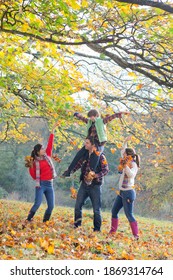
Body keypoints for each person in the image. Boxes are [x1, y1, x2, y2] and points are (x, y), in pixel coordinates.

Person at [62, 109, 128, 177]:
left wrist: (119, 114)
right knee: (79, 154)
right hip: (91, 142)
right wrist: (76, 114)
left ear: (96, 115)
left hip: (98, 143)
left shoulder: (101, 121)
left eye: (92, 117)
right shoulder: (90, 122)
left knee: (95, 157)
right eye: (90, 117)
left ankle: (90, 175)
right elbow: (83, 118)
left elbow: (110, 117)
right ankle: (69, 171)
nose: (91, 118)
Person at [72, 136, 109, 232]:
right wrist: (69, 171)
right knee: (77, 206)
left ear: (93, 145)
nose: (85, 144)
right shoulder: (85, 155)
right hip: (84, 185)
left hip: (95, 186)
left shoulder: (100, 156)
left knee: (96, 209)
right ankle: (77, 225)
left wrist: (96, 175)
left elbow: (106, 170)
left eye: (87, 143)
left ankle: (97, 229)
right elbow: (78, 164)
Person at [24, 122, 58, 223]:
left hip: (50, 184)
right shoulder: (34, 162)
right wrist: (30, 167)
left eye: (44, 148)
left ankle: (45, 222)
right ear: (38, 151)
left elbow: (50, 143)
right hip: (41, 184)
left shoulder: (47, 155)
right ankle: (28, 219)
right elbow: (34, 176)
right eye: (42, 148)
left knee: (51, 206)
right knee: (37, 203)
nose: (44, 149)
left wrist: (53, 130)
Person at [109, 136, 140, 239]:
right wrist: (125, 141)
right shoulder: (124, 160)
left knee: (129, 215)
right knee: (114, 211)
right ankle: (112, 232)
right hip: (121, 192)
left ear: (129, 156)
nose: (123, 155)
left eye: (125, 154)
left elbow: (131, 175)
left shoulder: (133, 165)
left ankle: (136, 235)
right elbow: (122, 150)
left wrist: (126, 166)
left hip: (129, 193)